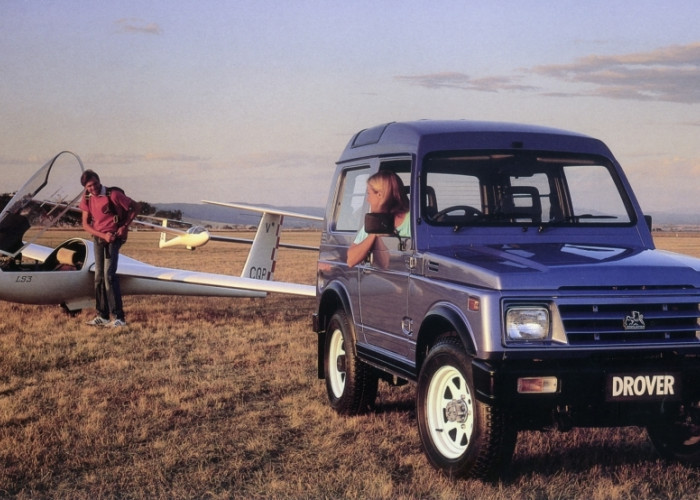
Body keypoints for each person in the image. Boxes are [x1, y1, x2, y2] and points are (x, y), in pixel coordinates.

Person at [79, 170, 139, 327]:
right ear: (85, 187)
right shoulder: (87, 198)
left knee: (109, 275)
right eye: (89, 186)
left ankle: (119, 318)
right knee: (98, 275)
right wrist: (101, 235)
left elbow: (136, 207)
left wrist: (124, 226)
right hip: (100, 238)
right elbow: (85, 224)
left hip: (114, 238)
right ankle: (102, 315)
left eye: (95, 184)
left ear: (100, 181)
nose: (93, 188)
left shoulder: (113, 195)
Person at [347, 170, 410, 268]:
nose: (368, 199)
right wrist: (374, 235)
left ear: (380, 195)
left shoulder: (412, 222)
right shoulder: (374, 221)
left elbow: (385, 264)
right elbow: (351, 260)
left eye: (369, 194)